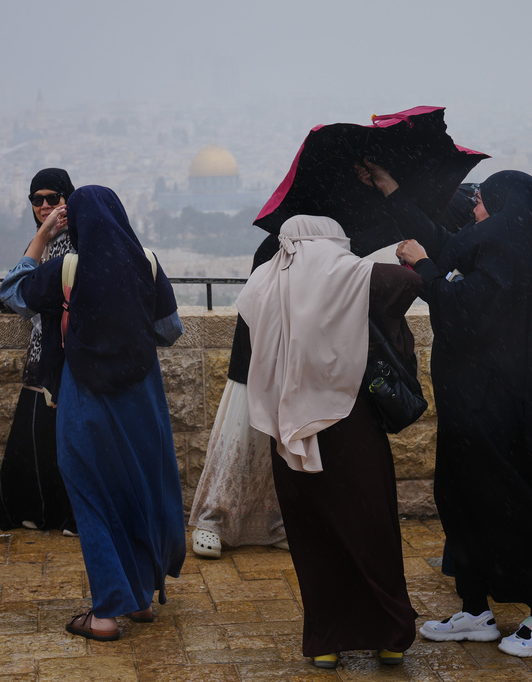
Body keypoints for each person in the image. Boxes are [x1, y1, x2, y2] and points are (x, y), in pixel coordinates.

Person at [392, 170, 532, 657]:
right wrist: (393, 191)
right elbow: (446, 250)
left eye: (481, 200)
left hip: (496, 415)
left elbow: (465, 311)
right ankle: (475, 609)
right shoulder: (501, 249)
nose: (474, 208)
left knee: (506, 508)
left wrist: (425, 268)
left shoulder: (509, 259)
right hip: (469, 411)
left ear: (506, 208)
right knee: (461, 503)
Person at [0, 185, 185, 641]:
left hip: (86, 400)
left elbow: (13, 294)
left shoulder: (66, 268)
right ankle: (141, 598)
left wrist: (41, 239)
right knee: (139, 491)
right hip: (142, 401)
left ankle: (105, 614)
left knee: (94, 499)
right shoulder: (147, 262)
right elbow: (169, 330)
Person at [236, 215, 420, 669]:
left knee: (313, 536)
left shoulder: (263, 282)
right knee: (371, 527)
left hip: (288, 428)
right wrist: (406, 256)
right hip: (350, 424)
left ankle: (326, 639)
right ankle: (389, 635)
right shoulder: (351, 276)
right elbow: (407, 283)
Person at [0, 168, 77, 535]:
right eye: (36, 199)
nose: (44, 206)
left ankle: (64, 515)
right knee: (36, 443)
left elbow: (25, 295)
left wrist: (40, 238)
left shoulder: (70, 242)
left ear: (69, 200)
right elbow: (22, 296)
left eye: (53, 198)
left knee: (54, 441)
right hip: (45, 355)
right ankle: (44, 513)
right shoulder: (46, 242)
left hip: (61, 358)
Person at [188, 234, 287, 559]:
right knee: (239, 439)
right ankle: (214, 520)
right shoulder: (276, 245)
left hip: (292, 367)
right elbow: (257, 305)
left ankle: (275, 523)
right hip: (254, 362)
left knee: (281, 449)